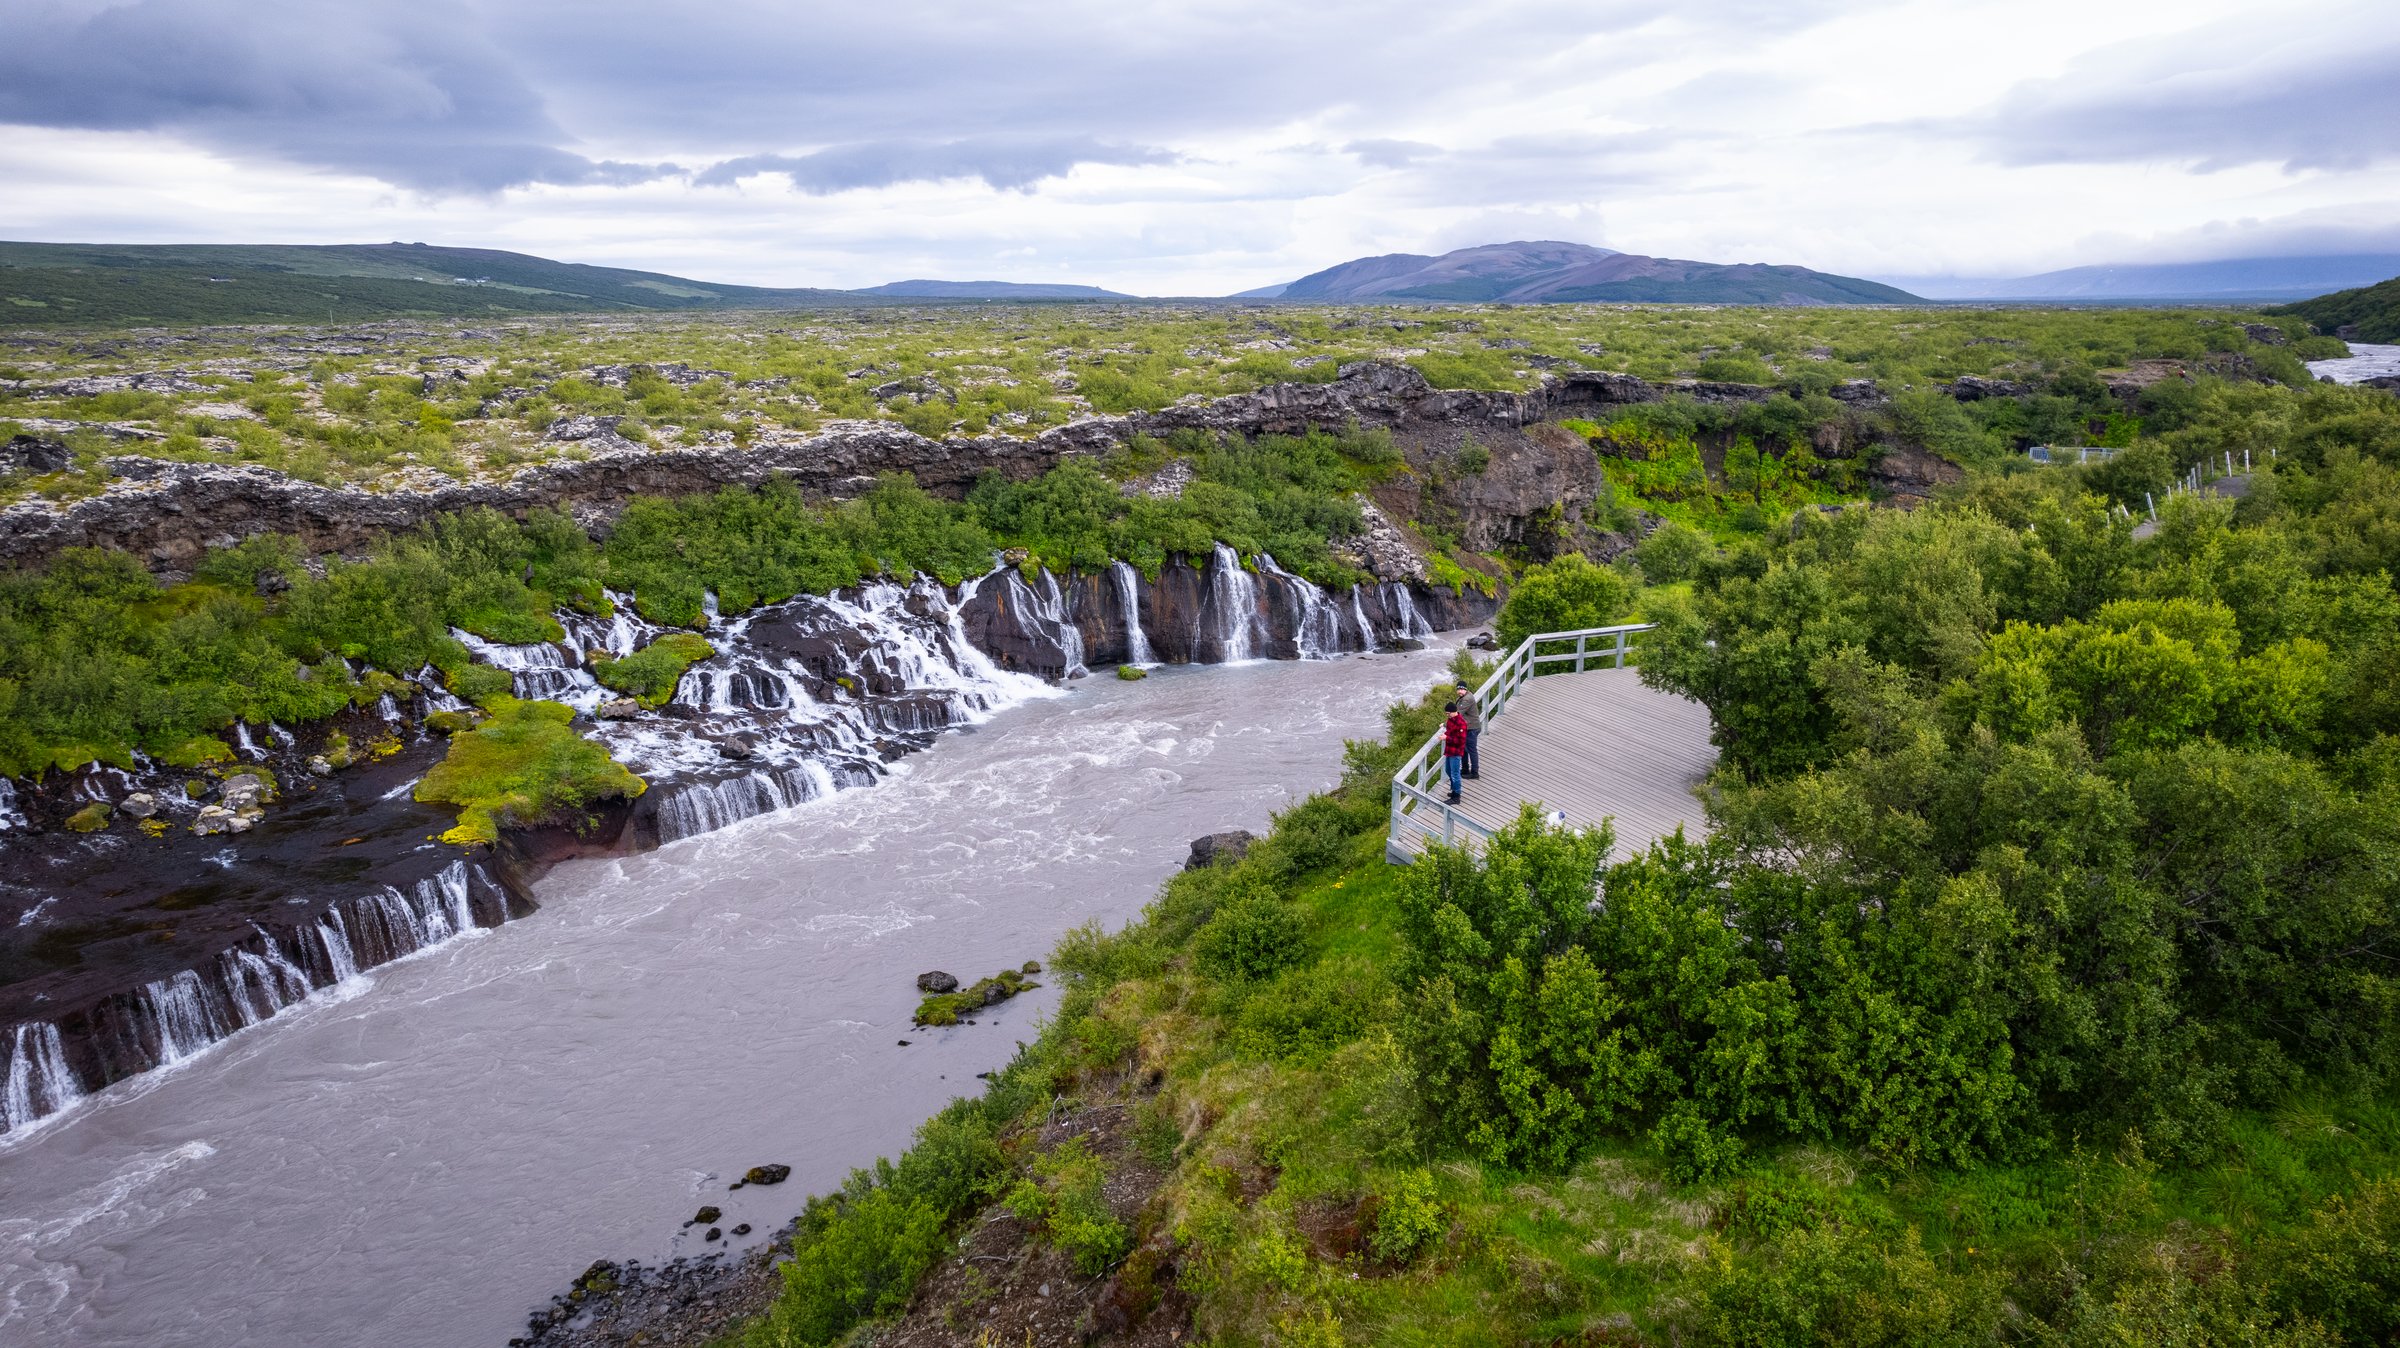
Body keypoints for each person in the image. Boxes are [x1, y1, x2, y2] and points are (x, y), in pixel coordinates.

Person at [1441, 700, 1468, 804]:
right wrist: (1445, 733)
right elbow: (1449, 731)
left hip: (1456, 752)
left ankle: (1456, 796)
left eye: (1448, 713)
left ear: (1453, 712)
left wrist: (1447, 737)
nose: (1447, 715)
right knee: (1448, 771)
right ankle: (1454, 790)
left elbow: (1461, 741)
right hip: (1449, 750)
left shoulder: (1461, 723)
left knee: (1455, 774)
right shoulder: (1450, 720)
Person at [1453, 682, 1482, 779]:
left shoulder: (1467, 699)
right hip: (1466, 728)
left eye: (1462, 689)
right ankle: (1465, 769)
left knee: (1471, 750)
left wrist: (1445, 724)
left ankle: (1474, 773)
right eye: (1459, 689)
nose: (1460, 691)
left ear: (1465, 689)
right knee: (1464, 749)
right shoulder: (1463, 697)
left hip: (1472, 728)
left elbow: (1458, 714)